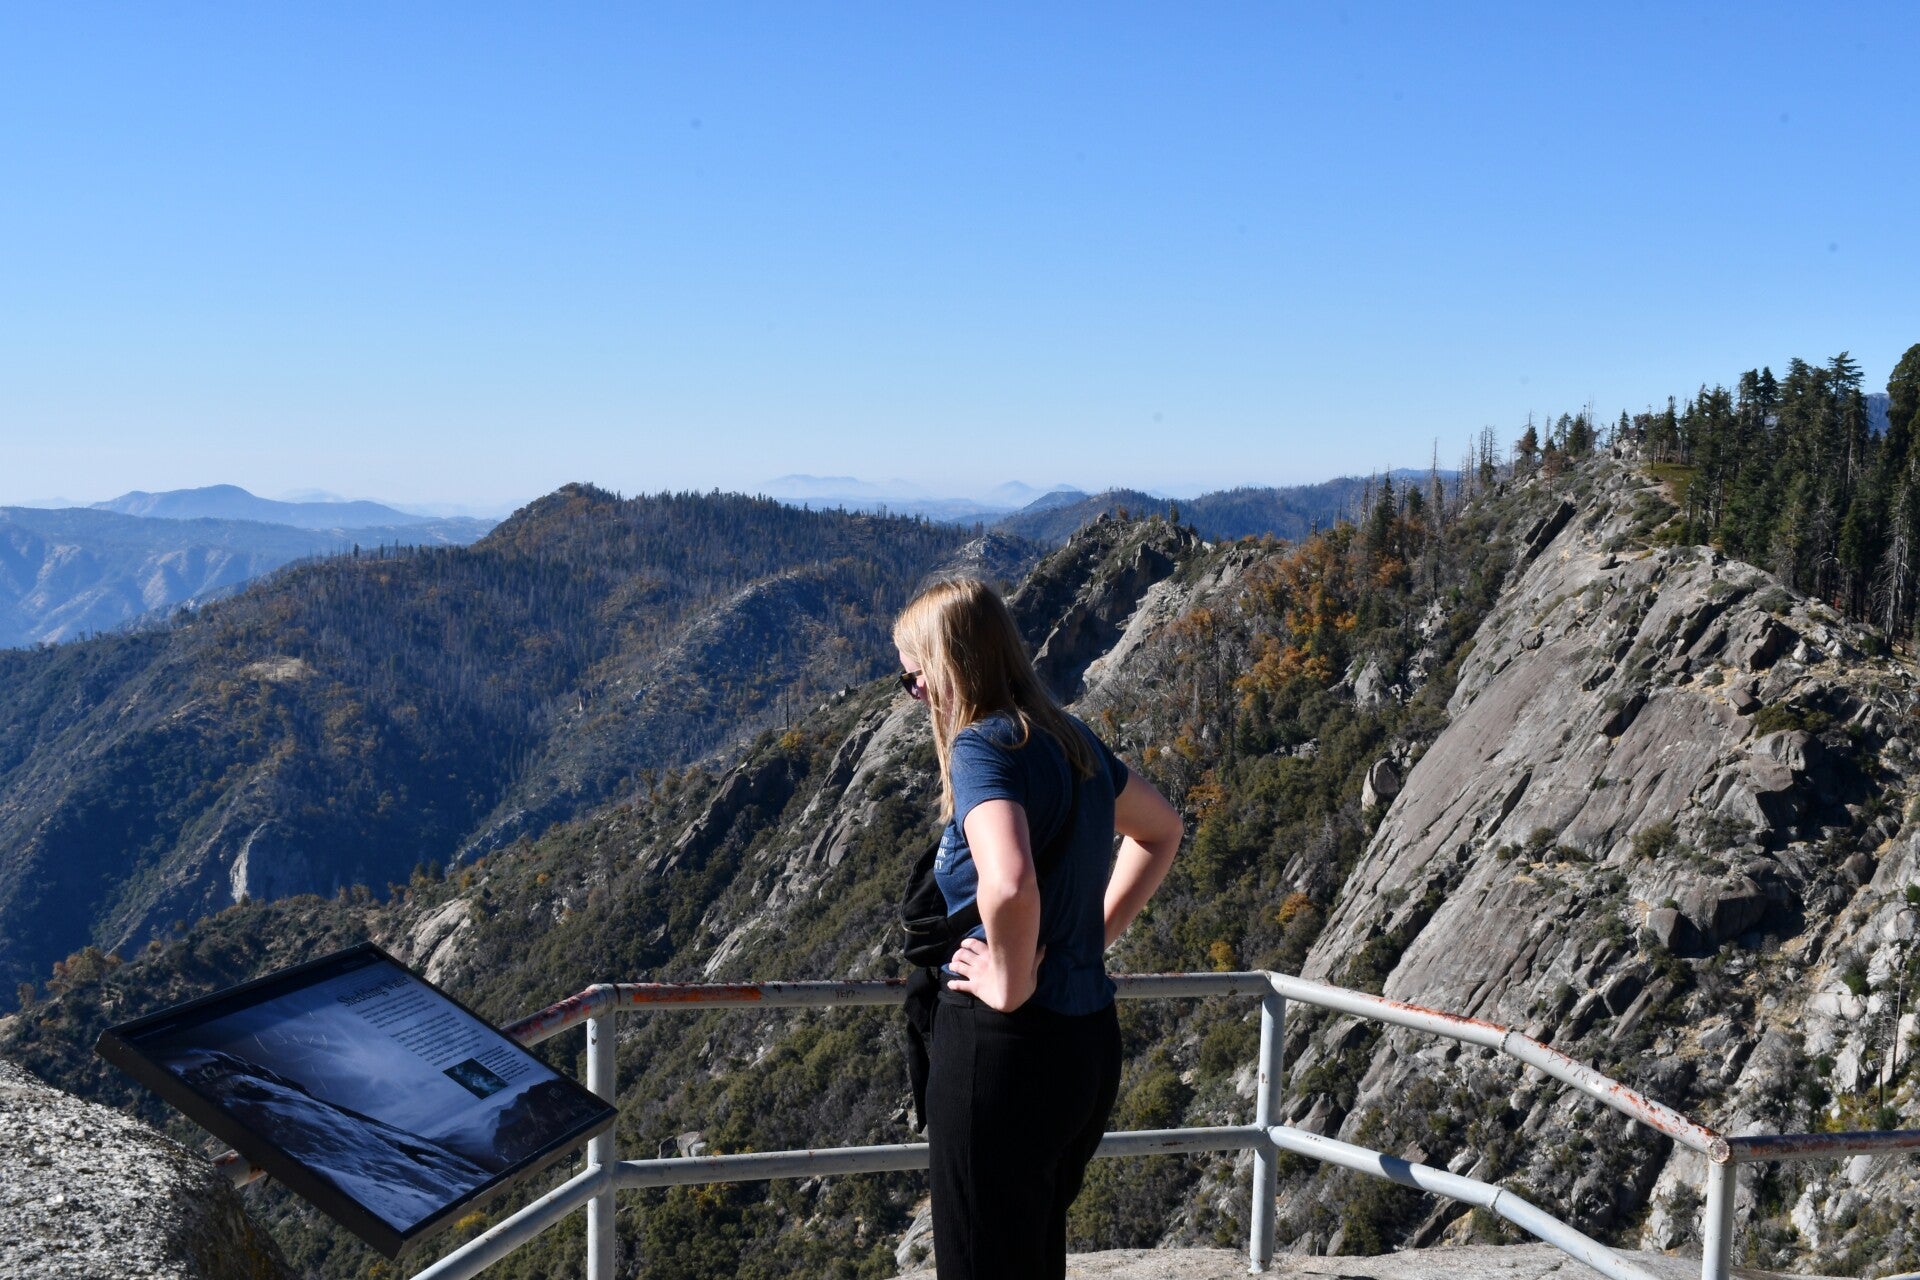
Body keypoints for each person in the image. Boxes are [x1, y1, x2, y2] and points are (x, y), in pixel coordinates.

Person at [892, 577, 1183, 1280]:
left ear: (949, 666)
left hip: (1003, 1053)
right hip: (1086, 1046)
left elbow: (1011, 881)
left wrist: (1010, 980)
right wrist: (1091, 939)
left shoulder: (982, 748)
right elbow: (1161, 830)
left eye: (915, 675)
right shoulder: (1071, 737)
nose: (915, 693)